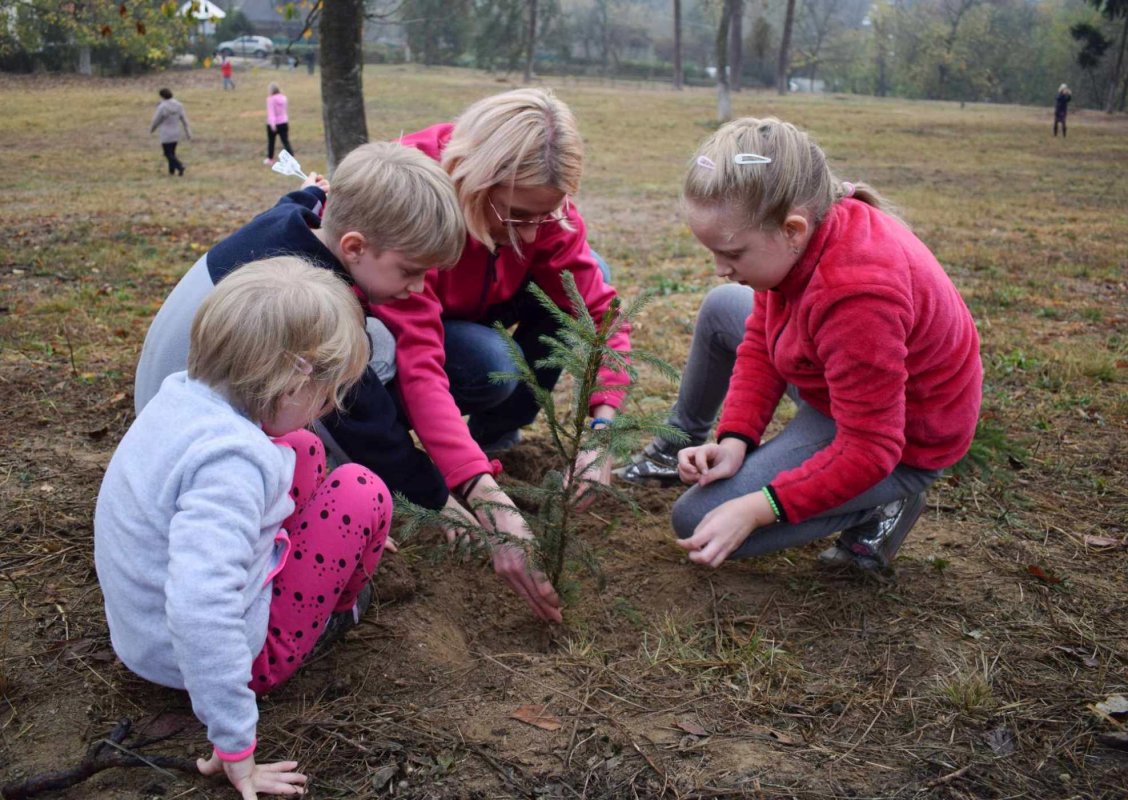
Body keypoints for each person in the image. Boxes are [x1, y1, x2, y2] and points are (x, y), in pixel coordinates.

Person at [96, 257, 388, 799]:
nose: (327, 408)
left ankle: (308, 567)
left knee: (298, 448)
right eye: (327, 395)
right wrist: (236, 747)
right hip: (209, 657)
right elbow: (200, 606)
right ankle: (337, 613)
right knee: (361, 494)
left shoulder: (182, 397)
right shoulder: (230, 465)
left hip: (142, 635)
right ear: (293, 379)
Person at [648, 117, 982, 573]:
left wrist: (758, 507)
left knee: (696, 520)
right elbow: (763, 343)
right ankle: (675, 443)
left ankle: (888, 503)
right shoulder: (797, 241)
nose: (719, 267)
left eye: (732, 253)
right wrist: (734, 439)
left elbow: (871, 448)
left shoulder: (858, 297)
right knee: (724, 304)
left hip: (901, 442)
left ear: (793, 229)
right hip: (839, 379)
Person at [378, 88, 631, 623]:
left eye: (547, 214)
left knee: (596, 270)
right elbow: (419, 362)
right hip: (410, 326)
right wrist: (481, 497)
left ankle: (495, 435)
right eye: (516, 215)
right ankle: (456, 458)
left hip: (488, 301)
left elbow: (600, 314)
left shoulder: (542, 213)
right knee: (492, 360)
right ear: (472, 178)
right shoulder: (417, 195)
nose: (533, 232)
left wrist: (603, 428)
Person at [150, 88, 190, 177]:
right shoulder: (179, 105)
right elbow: (184, 119)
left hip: (166, 132)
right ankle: (171, 172)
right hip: (176, 131)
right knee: (172, 153)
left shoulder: (162, 107)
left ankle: (180, 166)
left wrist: (152, 129)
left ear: (162, 96)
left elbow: (156, 120)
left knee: (167, 153)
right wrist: (188, 132)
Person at [264, 82, 293, 166]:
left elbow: (271, 113)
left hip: (273, 124)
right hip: (284, 122)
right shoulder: (284, 98)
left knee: (271, 142)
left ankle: (270, 159)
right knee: (285, 141)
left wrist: (272, 124)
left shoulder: (270, 99)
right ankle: (291, 157)